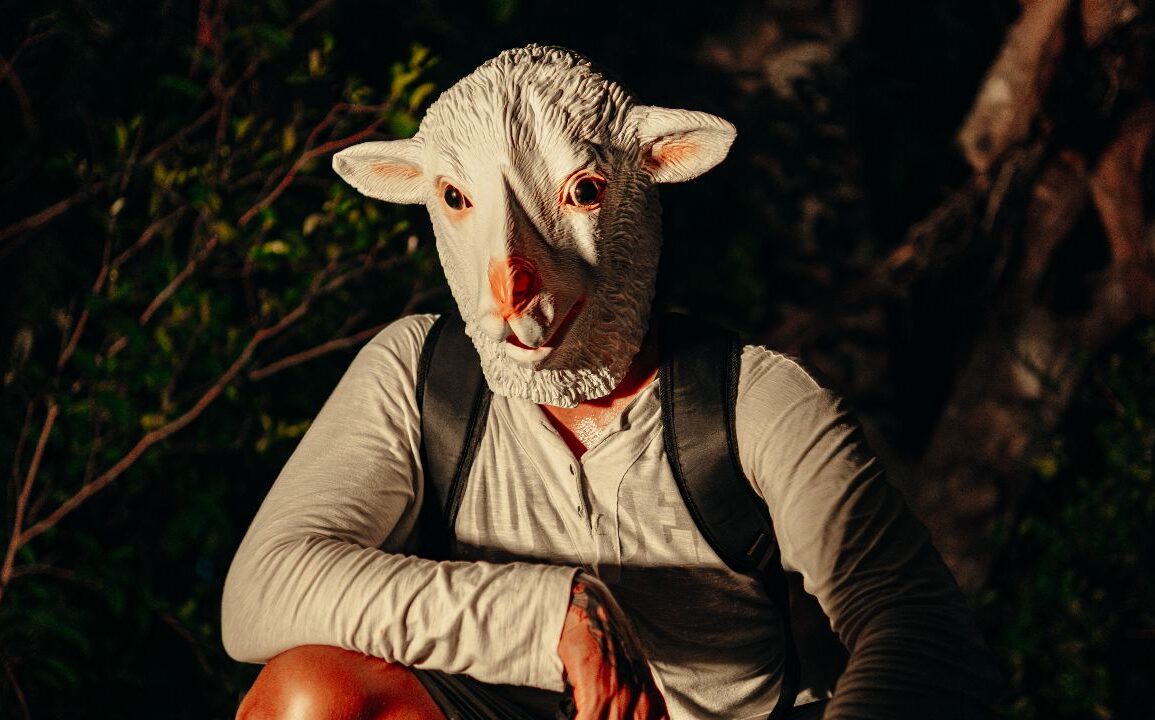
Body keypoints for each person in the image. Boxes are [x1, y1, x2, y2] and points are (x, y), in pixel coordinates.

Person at [222, 45, 1001, 719]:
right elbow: (261, 591)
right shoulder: (417, 375)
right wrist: (553, 616)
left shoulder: (756, 403)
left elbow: (919, 629)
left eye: (581, 193)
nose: (510, 281)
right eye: (458, 199)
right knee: (310, 696)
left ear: (652, 169)